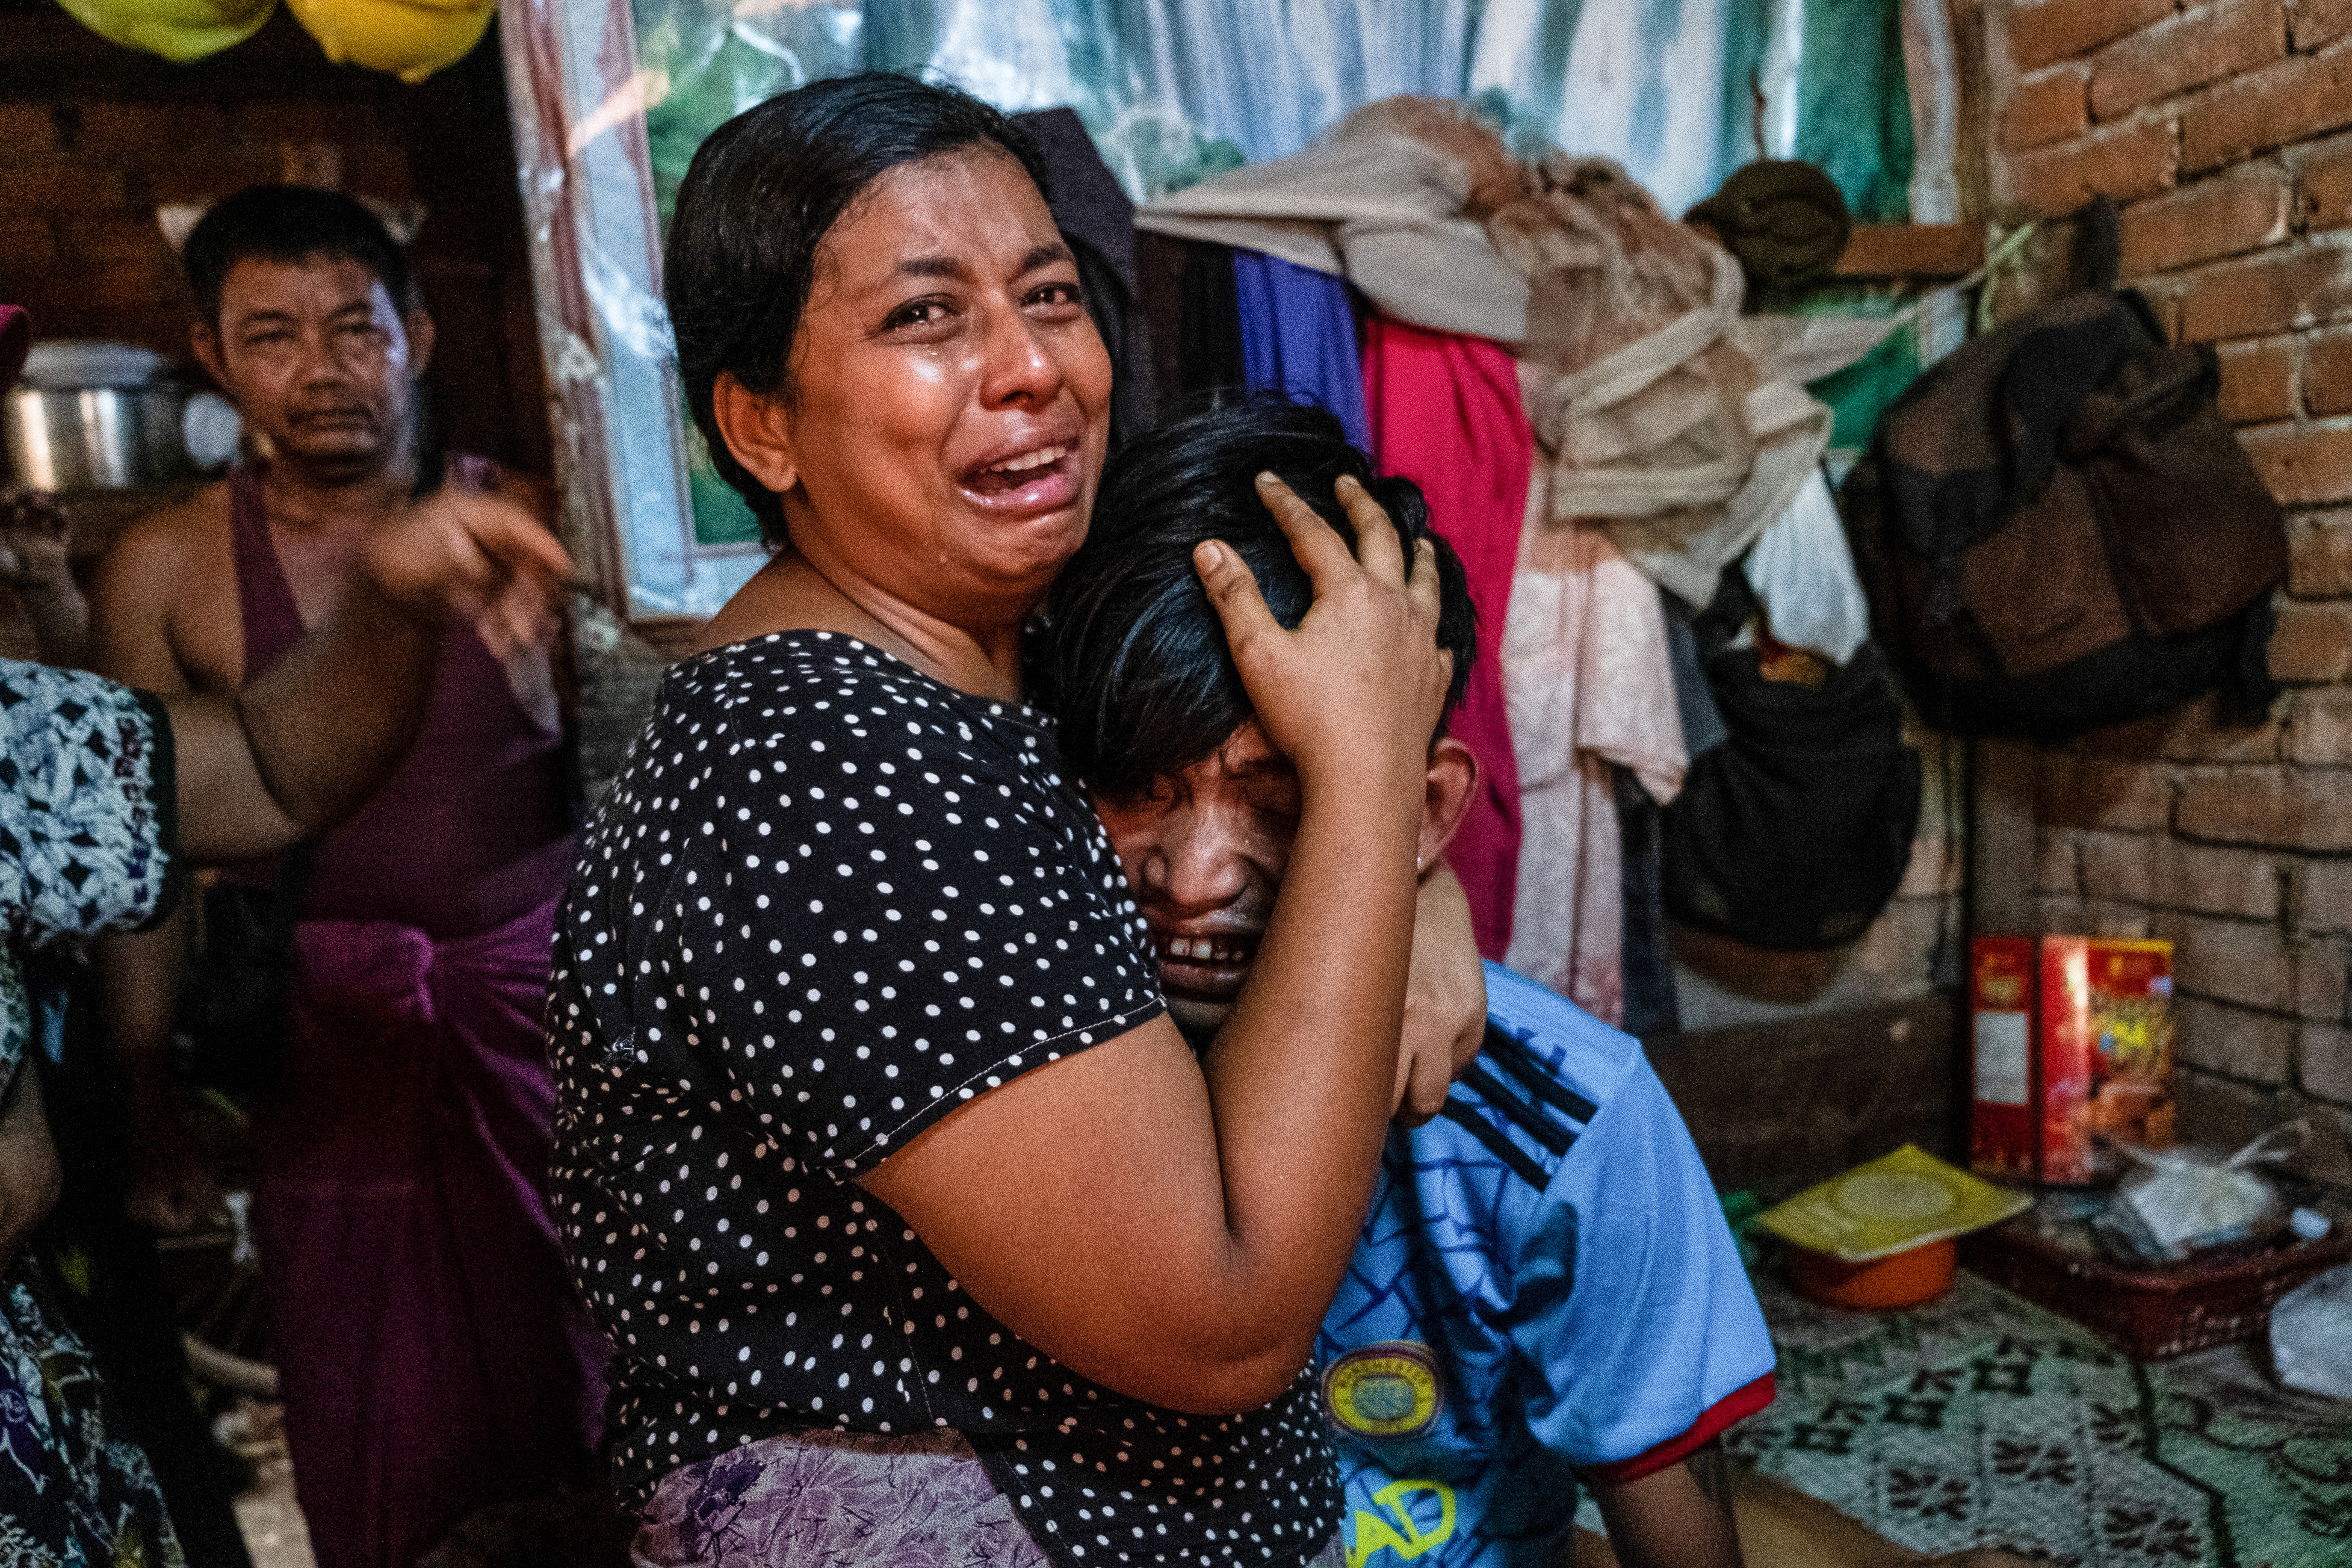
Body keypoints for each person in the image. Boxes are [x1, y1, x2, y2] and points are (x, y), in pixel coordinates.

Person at [550, 73, 1480, 1567]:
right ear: (762, 424)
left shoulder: (977, 674)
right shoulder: (829, 766)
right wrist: (1369, 781)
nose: (1029, 365)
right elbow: (1222, 1315)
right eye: (926, 317)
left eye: (1047, 295)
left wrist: (1416, 888)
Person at [1037, 400, 1777, 1568]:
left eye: (1276, 800)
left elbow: (1677, 1531)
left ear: (1428, 810)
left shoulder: (1563, 1120)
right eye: (1136, 786)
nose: (1190, 877)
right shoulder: (1015, 1059)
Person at [0, 299, 573, 1567]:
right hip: (329, 1062)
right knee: (384, 1409)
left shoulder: (12, 735)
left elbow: (254, 768)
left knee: (572, 1382)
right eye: (271, 333)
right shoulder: (170, 557)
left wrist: (388, 595)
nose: (319, 369)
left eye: (351, 329)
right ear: (213, 356)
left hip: (31, 1411)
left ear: (416, 339)